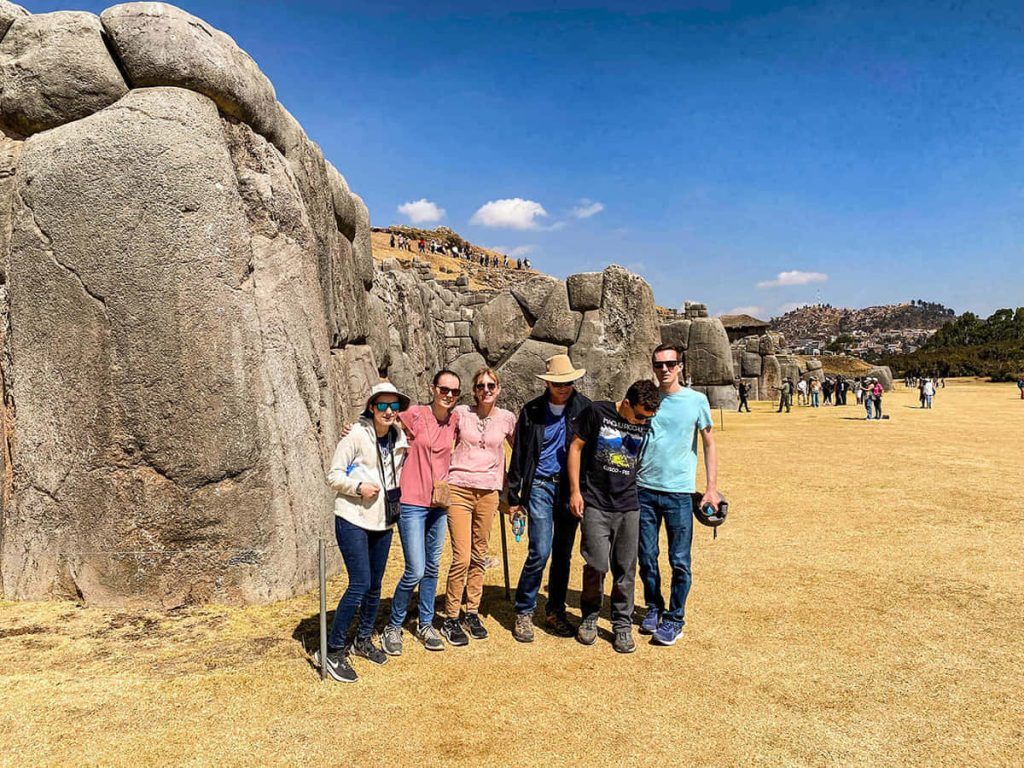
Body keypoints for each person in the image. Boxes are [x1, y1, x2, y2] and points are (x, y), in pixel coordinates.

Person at [318, 382, 410, 683]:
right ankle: (331, 650)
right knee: (359, 583)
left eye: (394, 406)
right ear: (372, 407)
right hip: (353, 517)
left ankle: (363, 639)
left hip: (383, 521)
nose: (388, 411)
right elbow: (333, 475)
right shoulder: (356, 435)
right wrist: (357, 488)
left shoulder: (399, 436)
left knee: (375, 585)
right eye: (382, 405)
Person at [637, 345, 720, 646]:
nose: (665, 370)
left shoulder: (696, 401)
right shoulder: (646, 398)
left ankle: (674, 618)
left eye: (670, 364)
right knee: (646, 556)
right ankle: (653, 606)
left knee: (679, 559)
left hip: (680, 493)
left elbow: (709, 444)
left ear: (680, 366)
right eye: (659, 365)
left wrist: (711, 488)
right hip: (644, 488)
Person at [568, 380, 660, 653]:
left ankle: (622, 623)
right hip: (596, 502)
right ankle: (590, 615)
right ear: (627, 403)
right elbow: (576, 447)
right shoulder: (597, 412)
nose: (643, 423)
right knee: (596, 564)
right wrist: (575, 491)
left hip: (629, 505)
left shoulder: (645, 422)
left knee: (625, 569)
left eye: (649, 418)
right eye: (640, 416)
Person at [507, 355, 592, 642]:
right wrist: (514, 497)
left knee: (563, 554)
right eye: (559, 383)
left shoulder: (584, 408)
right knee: (540, 550)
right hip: (540, 487)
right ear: (547, 383)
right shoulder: (531, 410)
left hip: (569, 489)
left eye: (568, 382)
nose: (564, 387)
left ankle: (555, 610)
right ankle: (524, 609)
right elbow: (519, 454)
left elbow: (590, 453)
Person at [380, 371, 462, 656]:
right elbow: (383, 418)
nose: (449, 395)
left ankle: (425, 623)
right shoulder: (415, 414)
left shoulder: (455, 420)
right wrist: (356, 427)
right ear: (433, 388)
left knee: (431, 567)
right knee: (414, 568)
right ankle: (394, 625)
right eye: (444, 389)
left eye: (454, 391)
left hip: (438, 504)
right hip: (413, 501)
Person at [441, 368, 516, 645]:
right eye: (481, 385)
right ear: (474, 390)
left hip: (489, 492)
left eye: (491, 385)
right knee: (461, 555)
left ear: (498, 388)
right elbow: (436, 435)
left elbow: (521, 450)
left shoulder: (507, 418)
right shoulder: (461, 413)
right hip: (459, 487)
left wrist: (513, 492)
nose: (486, 390)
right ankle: (450, 616)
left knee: (479, 553)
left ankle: (471, 610)